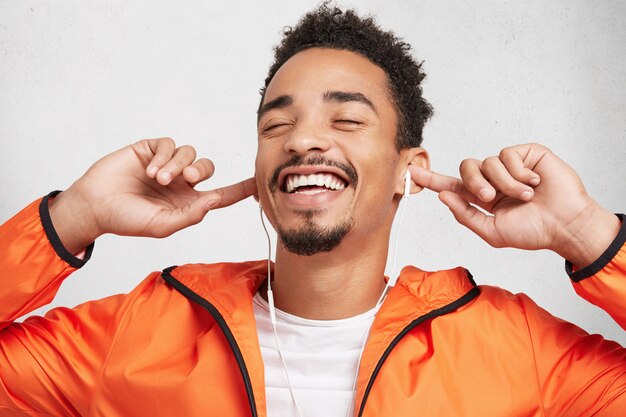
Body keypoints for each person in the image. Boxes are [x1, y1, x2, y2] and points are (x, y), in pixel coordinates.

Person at [1, 4, 624, 417]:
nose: (303, 139)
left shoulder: (513, 348)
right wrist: (73, 217)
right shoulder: (139, 333)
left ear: (409, 168)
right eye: (278, 124)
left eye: (348, 118)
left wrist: (588, 235)